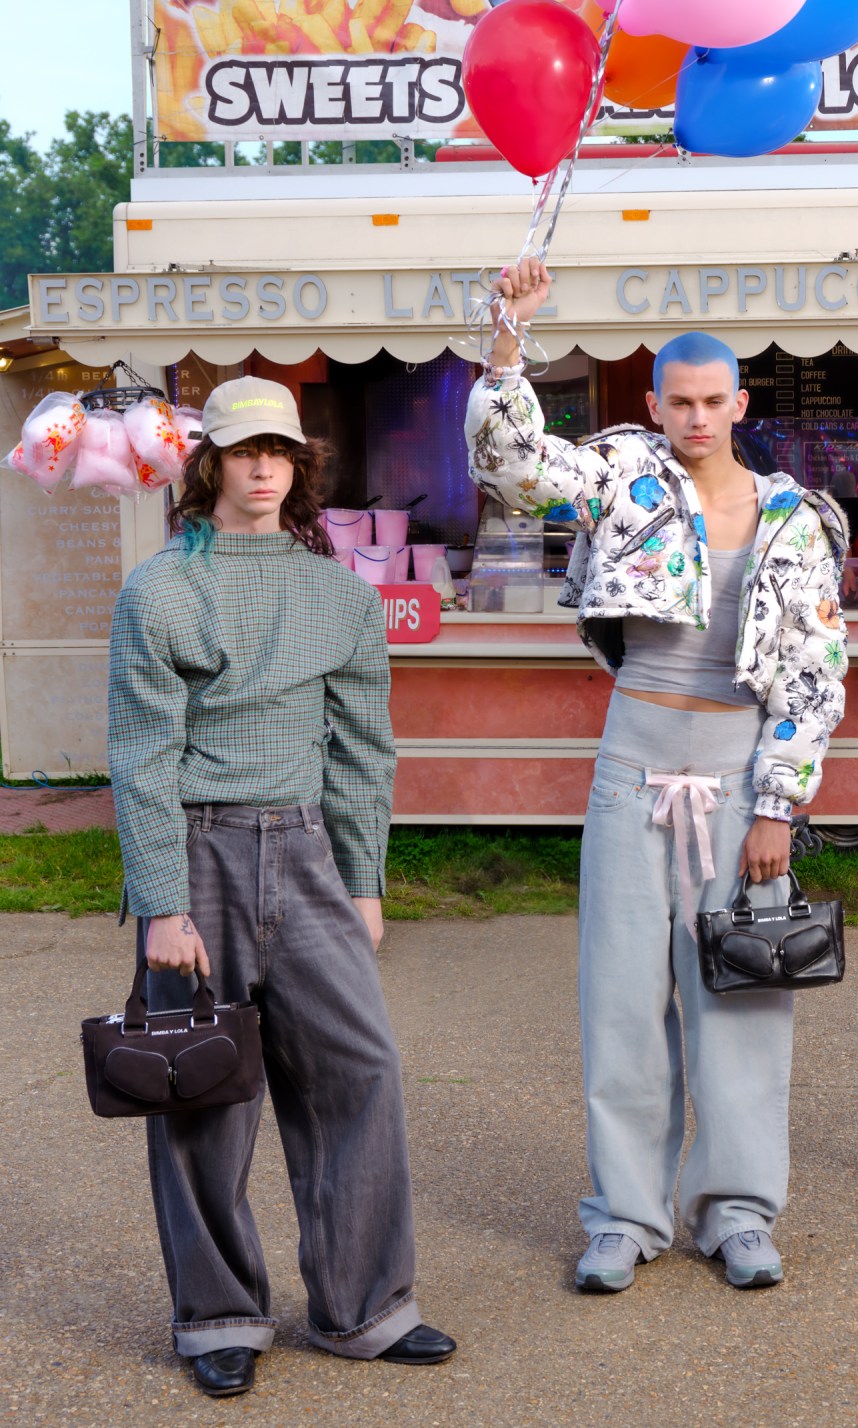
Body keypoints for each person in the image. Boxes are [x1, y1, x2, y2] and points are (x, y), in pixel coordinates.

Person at [467, 259, 848, 1294]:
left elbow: (815, 675)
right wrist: (508, 340)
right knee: (622, 1002)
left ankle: (737, 1211)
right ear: (652, 404)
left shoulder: (792, 518)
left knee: (741, 999)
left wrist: (777, 803)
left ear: (739, 404)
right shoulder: (622, 481)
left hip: (735, 778)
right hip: (632, 763)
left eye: (712, 401)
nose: (694, 417)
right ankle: (625, 1216)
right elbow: (511, 466)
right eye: (677, 401)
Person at [108, 378, 454, 1399]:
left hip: (306, 853)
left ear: (301, 465)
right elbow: (140, 756)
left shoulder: (340, 595)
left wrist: (365, 878)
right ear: (207, 463)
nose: (261, 466)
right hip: (201, 857)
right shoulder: (159, 590)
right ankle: (217, 1317)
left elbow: (360, 751)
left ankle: (365, 1310)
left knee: (362, 1073)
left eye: (280, 450)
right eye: (242, 449)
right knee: (204, 1091)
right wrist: (162, 899)